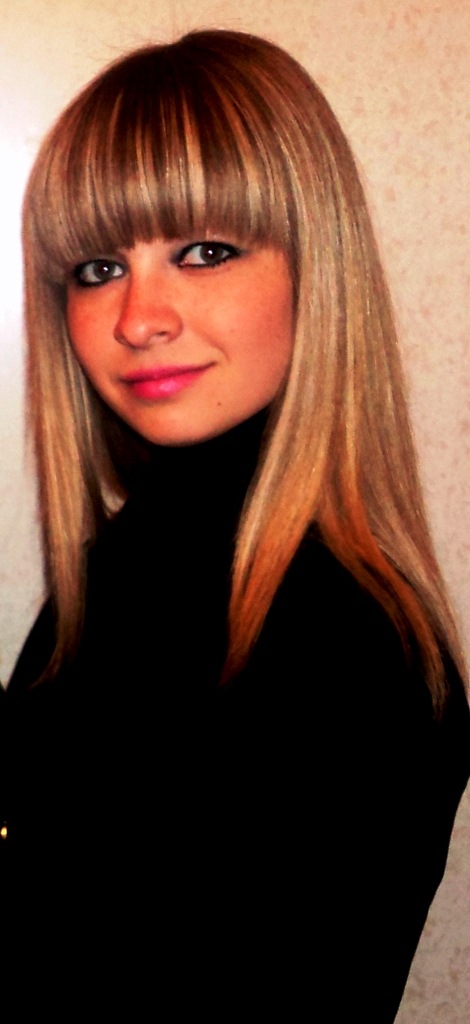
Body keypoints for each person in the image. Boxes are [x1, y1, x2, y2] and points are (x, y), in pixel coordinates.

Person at [1, 28, 469, 1020]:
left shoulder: (347, 642)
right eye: (96, 267)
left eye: (204, 252)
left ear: (317, 269)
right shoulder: (133, 562)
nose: (138, 317)